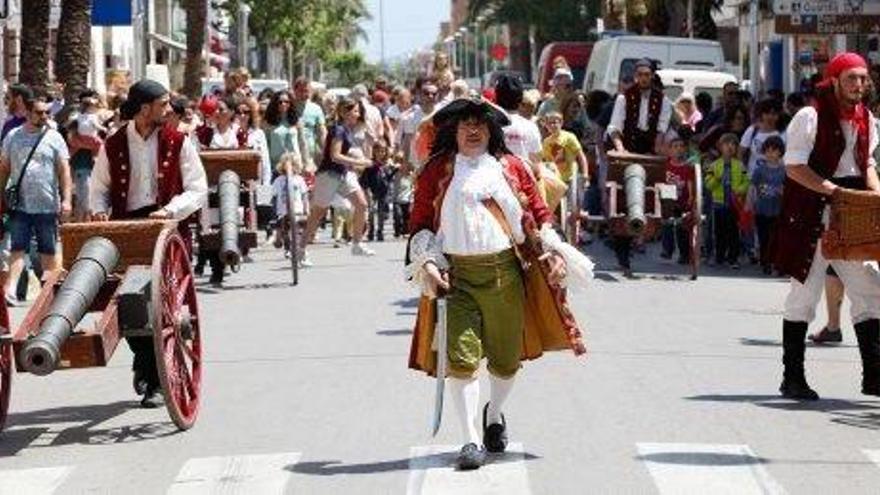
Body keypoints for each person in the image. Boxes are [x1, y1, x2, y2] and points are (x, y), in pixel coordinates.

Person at [406, 96, 591, 470]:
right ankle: (470, 439)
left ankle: (494, 416)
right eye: (465, 125)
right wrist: (426, 263)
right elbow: (421, 223)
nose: (473, 130)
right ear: (453, 131)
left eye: (480, 124)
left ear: (491, 131)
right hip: (456, 278)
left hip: (506, 275)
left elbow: (539, 217)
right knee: (460, 360)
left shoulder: (513, 168)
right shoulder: (435, 170)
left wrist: (554, 253)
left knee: (506, 363)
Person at [89, 79, 208, 408]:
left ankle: (155, 381)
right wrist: (99, 211)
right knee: (126, 302)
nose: (169, 110)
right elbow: (99, 187)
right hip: (127, 229)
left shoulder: (178, 141)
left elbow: (198, 189)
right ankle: (146, 365)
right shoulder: (113, 144)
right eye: (163, 104)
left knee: (159, 306)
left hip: (166, 229)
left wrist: (169, 211)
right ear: (145, 109)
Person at [772, 53, 880, 401]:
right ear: (834, 79)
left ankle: (874, 376)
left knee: (869, 290)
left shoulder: (868, 119)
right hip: (813, 213)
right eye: (851, 78)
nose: (859, 85)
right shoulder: (810, 115)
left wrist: (875, 194)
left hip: (853, 213)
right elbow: (794, 167)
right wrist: (831, 190)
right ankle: (793, 377)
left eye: (863, 79)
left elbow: (867, 164)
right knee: (804, 294)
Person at [0, 96, 73, 306]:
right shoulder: (13, 136)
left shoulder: (54, 137)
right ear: (28, 113)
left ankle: (48, 294)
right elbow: (4, 168)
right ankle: (11, 290)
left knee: (47, 250)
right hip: (19, 204)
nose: (44, 116)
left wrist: (67, 200)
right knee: (17, 248)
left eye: (46, 113)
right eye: (39, 112)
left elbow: (64, 171)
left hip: (47, 204)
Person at [605, 58, 673, 276]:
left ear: (652, 76)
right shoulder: (624, 98)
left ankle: (653, 229)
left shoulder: (662, 100)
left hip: (649, 152)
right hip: (627, 149)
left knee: (653, 195)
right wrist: (620, 148)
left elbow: (661, 130)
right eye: (640, 74)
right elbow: (614, 127)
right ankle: (623, 257)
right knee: (622, 201)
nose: (643, 78)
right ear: (636, 76)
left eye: (647, 74)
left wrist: (658, 149)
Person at [302, 98, 374, 259]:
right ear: (343, 112)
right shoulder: (338, 129)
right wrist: (359, 162)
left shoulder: (346, 130)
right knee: (318, 213)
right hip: (329, 174)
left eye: (357, 111)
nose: (356, 115)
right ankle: (301, 248)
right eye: (353, 111)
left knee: (361, 204)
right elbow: (335, 156)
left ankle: (357, 243)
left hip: (343, 173)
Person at [705, 133, 749, 268]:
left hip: (734, 204)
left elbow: (746, 182)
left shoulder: (740, 165)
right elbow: (708, 184)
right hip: (718, 205)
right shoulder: (714, 165)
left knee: (733, 232)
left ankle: (733, 258)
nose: (730, 147)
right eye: (726, 144)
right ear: (720, 147)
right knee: (718, 232)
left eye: (733, 144)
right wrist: (716, 179)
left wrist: (740, 190)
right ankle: (719, 256)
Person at [748, 136, 785, 274]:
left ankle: (776, 262)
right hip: (761, 209)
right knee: (763, 237)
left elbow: (789, 190)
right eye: (767, 150)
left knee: (776, 238)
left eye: (774, 150)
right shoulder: (759, 170)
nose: (770, 153)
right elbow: (752, 187)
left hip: (778, 210)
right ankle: (765, 262)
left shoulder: (784, 171)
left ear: (780, 152)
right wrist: (749, 204)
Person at [495, 74, 542, 174]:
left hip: (495, 182)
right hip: (523, 182)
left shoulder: (487, 126)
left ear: (496, 98)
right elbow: (536, 164)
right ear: (521, 99)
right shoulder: (531, 127)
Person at [661, 132, 695, 264]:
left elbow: (691, 185)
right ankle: (667, 249)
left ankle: (684, 254)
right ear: (669, 150)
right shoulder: (665, 165)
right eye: (675, 146)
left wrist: (691, 199)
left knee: (682, 227)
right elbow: (659, 182)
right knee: (667, 222)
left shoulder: (688, 168)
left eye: (681, 146)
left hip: (683, 200)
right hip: (668, 199)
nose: (679, 149)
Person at [271, 152, 310, 265]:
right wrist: (274, 211)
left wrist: (306, 208)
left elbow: (304, 195)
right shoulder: (279, 180)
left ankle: (303, 254)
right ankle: (285, 246)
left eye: (293, 164)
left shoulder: (299, 179)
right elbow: (274, 196)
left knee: (300, 232)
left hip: (297, 210)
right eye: (287, 164)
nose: (289, 167)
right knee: (283, 228)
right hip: (283, 211)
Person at [293, 77, 327, 169]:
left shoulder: (316, 109)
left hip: (310, 157)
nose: (305, 94)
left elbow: (322, 133)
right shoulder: (289, 106)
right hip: (293, 155)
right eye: (301, 91)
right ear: (294, 90)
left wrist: (326, 152)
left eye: (307, 91)